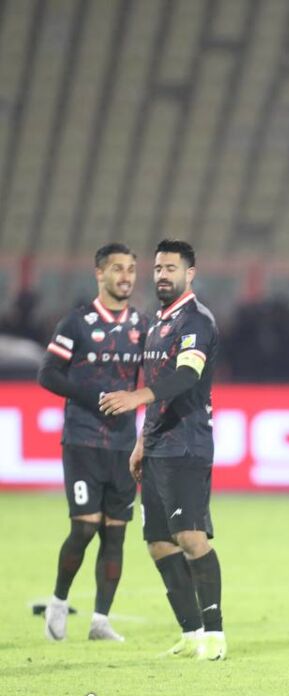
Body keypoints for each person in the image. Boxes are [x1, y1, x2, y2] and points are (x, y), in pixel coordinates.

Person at [99, 240, 225, 661]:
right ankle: (191, 634)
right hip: (156, 444)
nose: (162, 275)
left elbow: (187, 374)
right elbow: (158, 386)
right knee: (158, 542)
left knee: (190, 537)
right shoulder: (158, 322)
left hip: (186, 443)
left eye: (171, 268)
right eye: (158, 269)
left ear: (190, 274)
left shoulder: (196, 320)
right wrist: (141, 441)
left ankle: (215, 635)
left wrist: (137, 397)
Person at [37, 243, 147, 643]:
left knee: (115, 533)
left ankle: (101, 621)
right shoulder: (76, 323)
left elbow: (153, 379)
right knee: (84, 528)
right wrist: (95, 398)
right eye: (117, 268)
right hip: (83, 439)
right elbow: (48, 374)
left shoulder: (143, 325)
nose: (126, 276)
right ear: (99, 274)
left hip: (123, 445)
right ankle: (58, 602)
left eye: (131, 269)